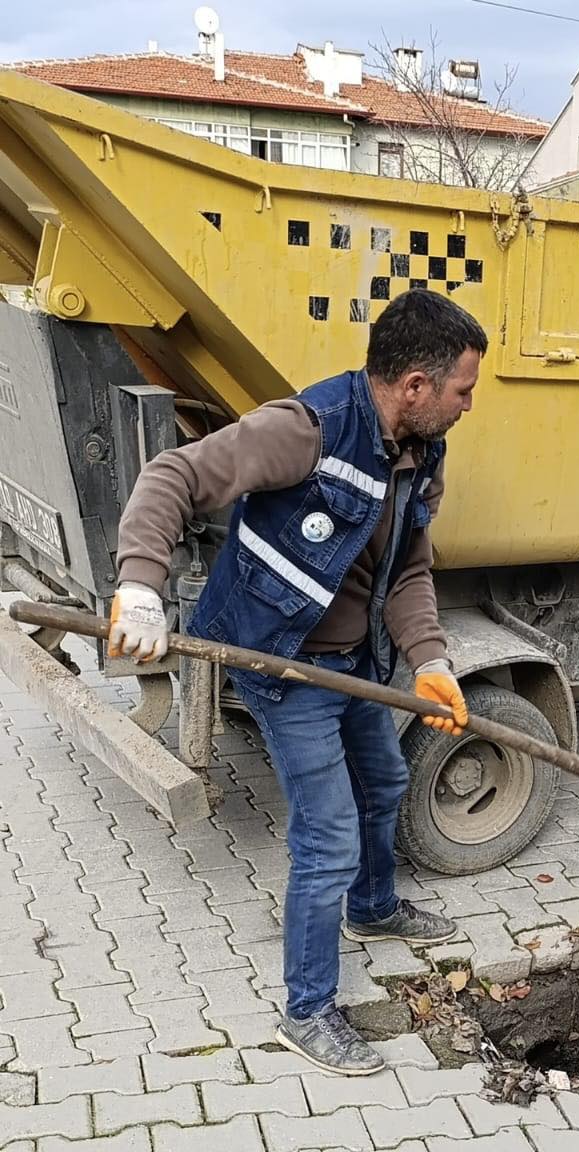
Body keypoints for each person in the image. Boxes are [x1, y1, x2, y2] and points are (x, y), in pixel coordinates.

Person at [107, 289, 486, 1075]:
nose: (467, 406)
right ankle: (308, 1009)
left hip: (350, 662)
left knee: (384, 778)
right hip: (278, 658)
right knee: (328, 834)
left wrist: (433, 661)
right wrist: (141, 584)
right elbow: (174, 476)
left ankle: (373, 911)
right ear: (415, 385)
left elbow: (408, 569)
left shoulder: (419, 454)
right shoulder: (305, 430)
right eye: (463, 390)